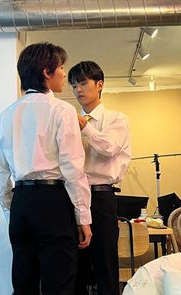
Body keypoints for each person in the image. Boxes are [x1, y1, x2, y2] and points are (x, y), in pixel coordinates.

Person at [0, 43, 92, 295]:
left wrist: (11, 210)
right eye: (60, 67)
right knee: (58, 283)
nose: (63, 72)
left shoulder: (5, 116)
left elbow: (1, 173)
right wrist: (83, 217)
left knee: (24, 284)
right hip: (53, 203)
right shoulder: (61, 110)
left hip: (21, 203)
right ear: (47, 72)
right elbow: (72, 168)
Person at [68, 61, 131, 295]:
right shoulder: (70, 122)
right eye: (74, 86)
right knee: (76, 268)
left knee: (105, 266)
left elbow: (110, 148)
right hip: (74, 197)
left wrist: (84, 126)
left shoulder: (117, 119)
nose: (78, 91)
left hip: (101, 196)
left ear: (100, 85)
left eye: (83, 83)